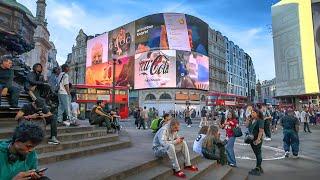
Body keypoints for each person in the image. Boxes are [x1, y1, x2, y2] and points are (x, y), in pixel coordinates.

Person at [246, 108, 265, 176]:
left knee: (258, 153)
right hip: (251, 139)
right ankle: (259, 167)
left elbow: (261, 131)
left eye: (253, 112)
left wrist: (258, 139)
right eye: (251, 112)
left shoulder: (260, 120)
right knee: (256, 153)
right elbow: (246, 126)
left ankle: (257, 168)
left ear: (257, 113)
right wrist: (248, 119)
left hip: (257, 139)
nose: (252, 113)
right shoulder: (252, 120)